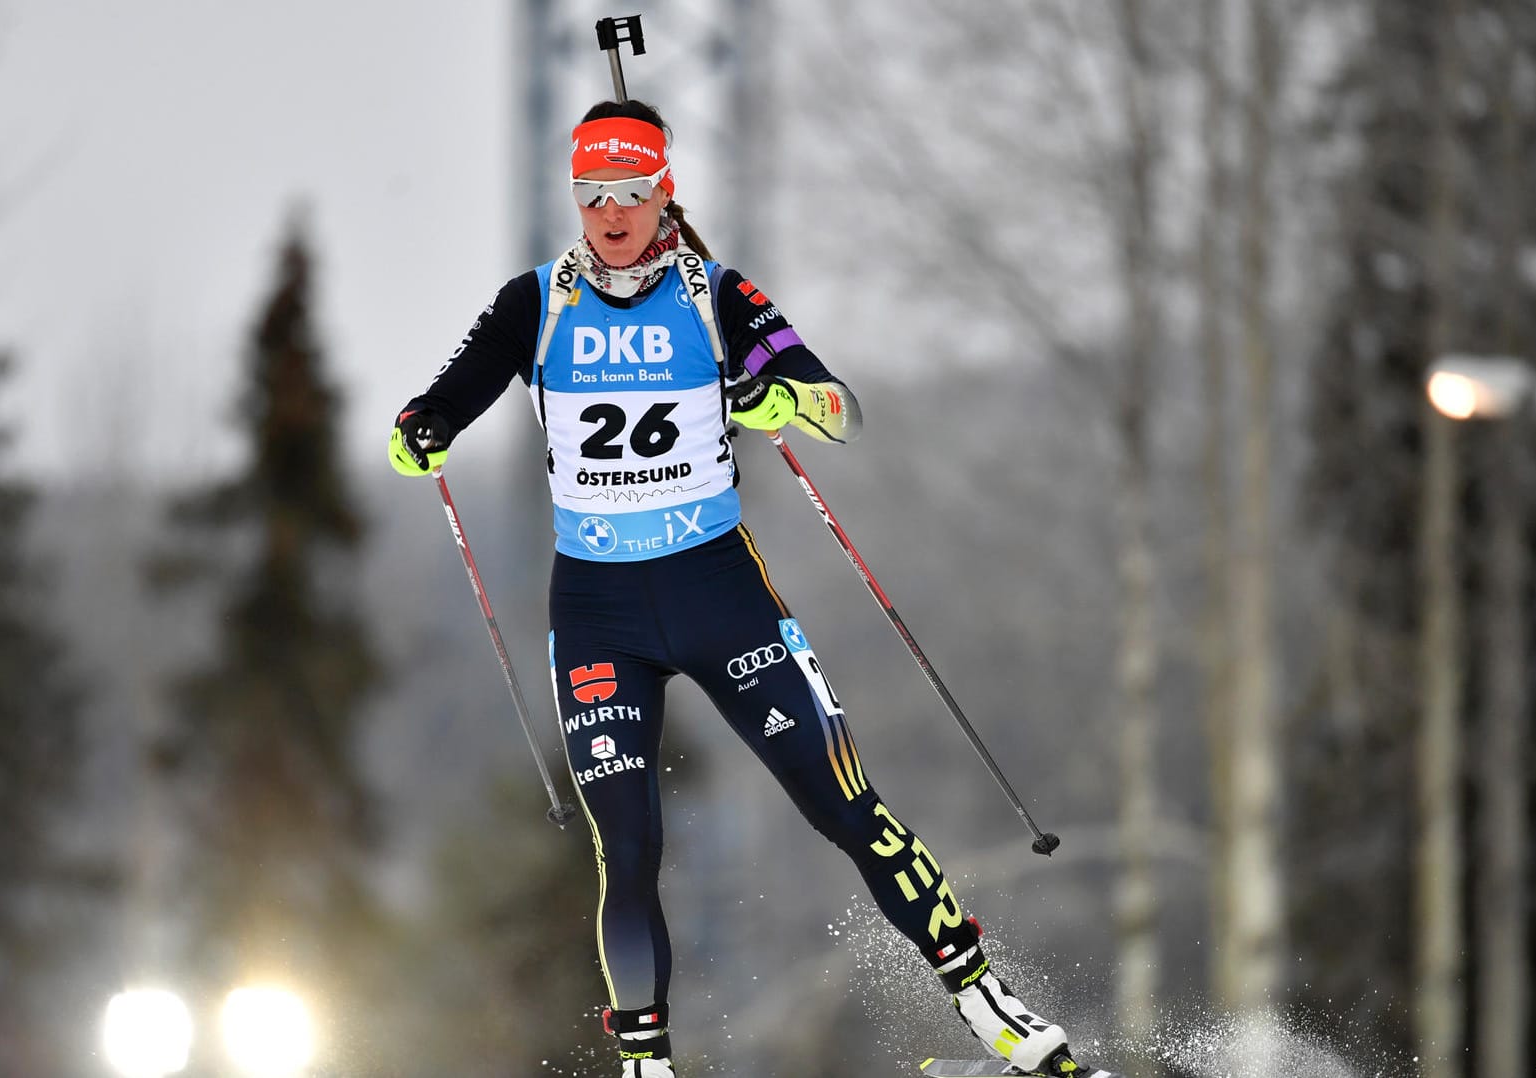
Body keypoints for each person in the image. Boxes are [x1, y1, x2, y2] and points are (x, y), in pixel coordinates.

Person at [389, 99, 1101, 1078]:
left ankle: (994, 1010)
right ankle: (647, 1065)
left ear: (662, 193)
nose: (609, 212)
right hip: (597, 612)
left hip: (717, 593)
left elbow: (837, 407)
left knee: (846, 802)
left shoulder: (712, 291)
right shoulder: (537, 300)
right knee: (626, 846)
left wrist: (781, 393)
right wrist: (424, 424)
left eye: (629, 191)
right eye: (591, 192)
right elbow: (456, 389)